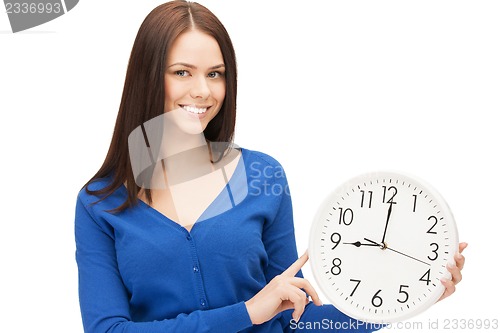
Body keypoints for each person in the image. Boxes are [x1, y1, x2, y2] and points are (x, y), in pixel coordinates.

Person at [74, 1, 467, 332]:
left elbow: (294, 315)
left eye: (215, 74)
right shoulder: (99, 203)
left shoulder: (263, 177)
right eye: (182, 72)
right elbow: (108, 330)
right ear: (147, 76)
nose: (203, 91)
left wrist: (407, 298)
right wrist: (246, 313)